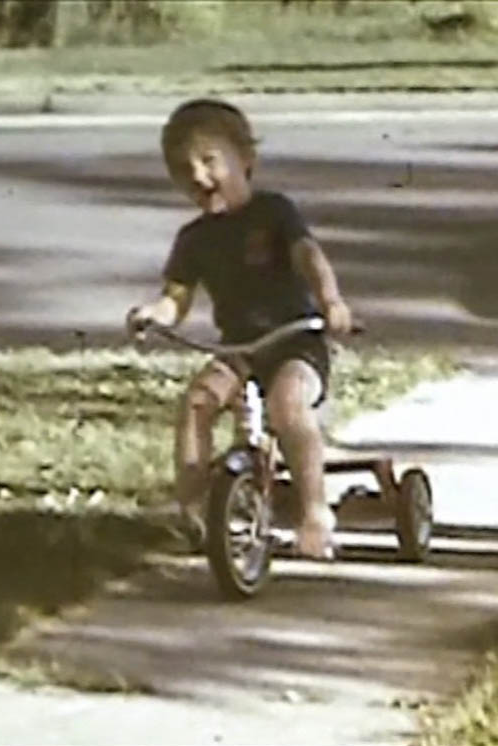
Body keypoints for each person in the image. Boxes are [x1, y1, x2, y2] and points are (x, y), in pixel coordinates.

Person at [126, 98, 354, 560]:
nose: (198, 176)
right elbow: (178, 296)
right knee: (197, 401)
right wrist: (157, 313)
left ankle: (315, 513)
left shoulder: (273, 213)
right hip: (241, 350)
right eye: (183, 169)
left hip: (295, 342)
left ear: (245, 159)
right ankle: (192, 512)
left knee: (288, 404)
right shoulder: (193, 239)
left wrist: (331, 301)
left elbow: (308, 257)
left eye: (209, 161)